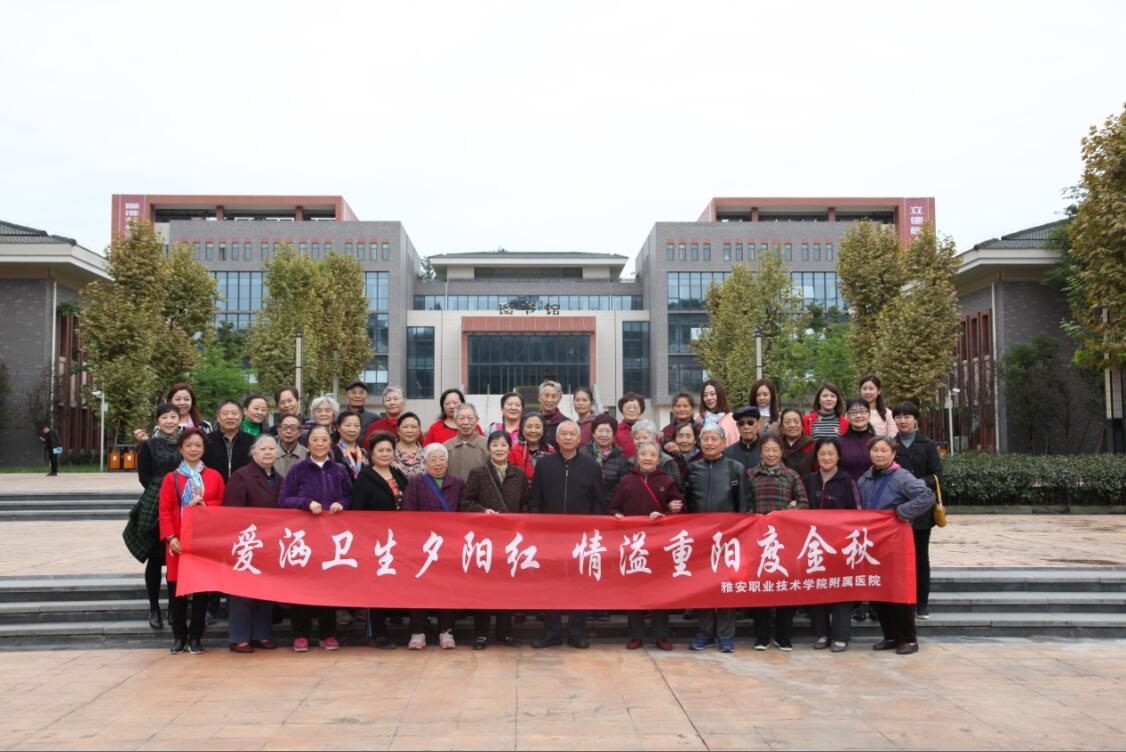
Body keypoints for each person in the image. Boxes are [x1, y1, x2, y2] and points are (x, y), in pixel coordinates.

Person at [857, 436, 935, 655]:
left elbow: (926, 496)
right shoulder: (865, 478)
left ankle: (908, 638)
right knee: (879, 589)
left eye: (884, 450)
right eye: (875, 450)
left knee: (898, 589)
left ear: (893, 454)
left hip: (895, 541)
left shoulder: (901, 476)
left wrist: (901, 512)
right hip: (873, 542)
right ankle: (890, 635)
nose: (879, 454)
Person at [528, 420, 603, 648]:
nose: (568, 438)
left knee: (578, 584)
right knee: (550, 584)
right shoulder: (544, 465)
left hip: (581, 539)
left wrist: (593, 531)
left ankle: (576, 632)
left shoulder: (591, 466)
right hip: (550, 537)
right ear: (557, 438)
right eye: (564, 434)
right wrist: (539, 528)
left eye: (572, 434)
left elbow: (598, 502)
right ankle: (551, 632)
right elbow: (535, 500)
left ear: (579, 439)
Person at [279, 425, 353, 652]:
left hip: (331, 538)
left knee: (328, 586)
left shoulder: (340, 470)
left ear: (330, 444)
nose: (320, 444)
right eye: (315, 440)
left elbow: (350, 496)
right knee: (300, 586)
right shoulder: (297, 470)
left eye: (324, 440)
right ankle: (300, 634)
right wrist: (306, 503)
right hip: (304, 538)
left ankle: (327, 634)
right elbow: (284, 499)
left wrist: (342, 503)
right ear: (308, 444)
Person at [611, 440, 684, 651]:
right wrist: (617, 515)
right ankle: (636, 635)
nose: (647, 458)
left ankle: (661, 635)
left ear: (659, 459)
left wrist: (669, 510)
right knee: (635, 590)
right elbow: (613, 507)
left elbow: (679, 508)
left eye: (652, 455)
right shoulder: (626, 481)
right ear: (636, 458)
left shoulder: (666, 481)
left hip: (660, 545)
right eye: (643, 454)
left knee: (661, 590)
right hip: (634, 546)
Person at [158, 428, 225, 654]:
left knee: (201, 592)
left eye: (198, 445)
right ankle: (179, 636)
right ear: (181, 449)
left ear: (204, 449)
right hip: (178, 541)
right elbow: (164, 510)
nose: (193, 449)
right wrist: (171, 537)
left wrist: (205, 506)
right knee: (177, 591)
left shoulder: (214, 476)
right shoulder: (171, 478)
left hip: (204, 542)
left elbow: (222, 504)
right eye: (189, 445)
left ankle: (196, 636)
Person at [460, 430, 529, 649]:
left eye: (503, 445)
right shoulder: (479, 473)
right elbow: (465, 502)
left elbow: (526, 505)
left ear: (510, 448)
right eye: (495, 445)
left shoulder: (519, 474)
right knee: (483, 587)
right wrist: (483, 511)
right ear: (488, 448)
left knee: (507, 587)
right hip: (486, 540)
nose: (499, 449)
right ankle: (481, 634)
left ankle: (505, 633)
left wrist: (520, 522)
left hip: (510, 540)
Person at [685, 424, 749, 653]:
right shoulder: (692, 469)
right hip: (700, 539)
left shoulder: (735, 468)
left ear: (723, 443)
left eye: (714, 439)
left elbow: (744, 505)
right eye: (706, 439)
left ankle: (725, 636)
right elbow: (686, 503)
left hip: (728, 539)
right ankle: (705, 633)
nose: (710, 443)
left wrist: (741, 534)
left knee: (725, 587)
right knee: (702, 587)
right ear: (700, 443)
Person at [746, 434, 809, 652]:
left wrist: (790, 511)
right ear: (760, 452)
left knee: (785, 587)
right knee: (759, 587)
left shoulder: (791, 475)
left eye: (775, 450)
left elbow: (804, 503)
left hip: (785, 540)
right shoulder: (751, 475)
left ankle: (784, 636)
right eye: (767, 450)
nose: (771, 454)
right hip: (758, 539)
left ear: (781, 452)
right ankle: (761, 636)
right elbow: (745, 504)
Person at [402, 444, 465, 649]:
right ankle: (418, 631)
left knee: (447, 588)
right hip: (422, 546)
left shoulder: (457, 483)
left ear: (447, 462)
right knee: (419, 588)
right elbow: (408, 512)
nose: (438, 463)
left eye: (441, 459)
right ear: (425, 462)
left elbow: (464, 512)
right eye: (433, 459)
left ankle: (446, 631)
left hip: (449, 545)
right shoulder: (416, 482)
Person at [223, 434, 281, 653]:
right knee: (242, 591)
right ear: (253, 453)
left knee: (266, 590)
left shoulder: (280, 478)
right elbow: (233, 512)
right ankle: (239, 637)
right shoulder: (241, 476)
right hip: (246, 542)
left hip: (270, 543)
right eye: (262, 449)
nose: (267, 453)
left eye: (271, 449)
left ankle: (261, 634)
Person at [802, 437, 861, 653]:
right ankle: (821, 633)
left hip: (840, 546)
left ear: (838, 457)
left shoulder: (847, 481)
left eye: (831, 454)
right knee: (817, 588)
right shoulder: (808, 480)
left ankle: (841, 635)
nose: (826, 458)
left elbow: (856, 513)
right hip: (814, 546)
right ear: (816, 457)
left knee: (840, 589)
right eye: (822, 454)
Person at [350, 431, 408, 649]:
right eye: (380, 450)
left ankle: (390, 629)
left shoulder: (398, 475)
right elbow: (357, 511)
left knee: (392, 586)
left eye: (388, 450)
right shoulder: (365, 478)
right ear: (372, 454)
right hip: (374, 543)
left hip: (398, 542)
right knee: (376, 588)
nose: (385, 454)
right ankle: (376, 633)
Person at [891, 400, 943, 619]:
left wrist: (914, 484)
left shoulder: (928, 445)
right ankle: (904, 601)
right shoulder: (890, 444)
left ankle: (922, 603)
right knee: (899, 559)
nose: (903, 421)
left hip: (921, 509)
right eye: (898, 417)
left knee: (921, 557)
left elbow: (937, 475)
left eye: (907, 417)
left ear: (916, 419)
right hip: (897, 509)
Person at [136, 403, 182, 629]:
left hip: (182, 505)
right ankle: (154, 608)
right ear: (157, 421)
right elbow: (144, 477)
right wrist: (162, 492)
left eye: (173, 417)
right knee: (155, 559)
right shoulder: (149, 445)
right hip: (155, 505)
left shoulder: (186, 443)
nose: (169, 421)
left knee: (176, 559)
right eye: (164, 417)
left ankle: (174, 607)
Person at [581, 413, 631, 516]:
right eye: (600, 431)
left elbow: (622, 487)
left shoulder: (621, 458)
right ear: (593, 433)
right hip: (585, 506)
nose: (604, 435)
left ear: (613, 435)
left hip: (610, 508)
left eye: (608, 431)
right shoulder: (582, 454)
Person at [133, 383, 211, 442]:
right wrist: (145, 441)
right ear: (170, 401)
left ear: (192, 402)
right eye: (177, 399)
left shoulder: (205, 426)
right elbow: (155, 451)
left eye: (186, 399)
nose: (182, 403)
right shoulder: (161, 426)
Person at [203, 400, 254, 481]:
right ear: (218, 418)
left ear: (241, 417)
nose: (230, 417)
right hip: (214, 487)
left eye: (234, 413)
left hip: (244, 487)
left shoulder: (253, 442)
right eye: (225, 413)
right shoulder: (206, 441)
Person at [628, 420, 682, 489]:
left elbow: (676, 488)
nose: (641, 441)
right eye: (637, 438)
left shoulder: (666, 461)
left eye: (645, 437)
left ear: (654, 439)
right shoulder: (630, 462)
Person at [444, 403, 489, 481]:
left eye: (470, 418)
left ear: (477, 420)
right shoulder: (446, 447)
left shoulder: (488, 445)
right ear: (455, 421)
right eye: (461, 418)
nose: (466, 422)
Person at [509, 412, 555, 482]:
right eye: (529, 426)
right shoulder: (513, 452)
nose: (533, 430)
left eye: (537, 427)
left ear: (543, 430)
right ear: (522, 429)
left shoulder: (551, 452)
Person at [838, 398, 875, 481]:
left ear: (869, 414)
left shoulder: (877, 441)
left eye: (862, 411)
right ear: (847, 416)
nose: (858, 416)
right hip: (847, 486)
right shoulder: (839, 442)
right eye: (853, 412)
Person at [697, 380, 738, 447]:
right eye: (705, 395)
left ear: (720, 395)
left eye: (712, 394)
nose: (709, 398)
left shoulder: (731, 418)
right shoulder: (699, 419)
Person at [779, 408, 817, 476]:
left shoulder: (812, 446)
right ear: (781, 426)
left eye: (796, 422)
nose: (792, 425)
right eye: (787, 422)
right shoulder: (776, 445)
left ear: (802, 425)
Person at [725, 406, 764, 471]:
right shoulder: (728, 453)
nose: (746, 427)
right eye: (741, 423)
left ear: (758, 424)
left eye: (750, 423)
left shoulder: (768, 450)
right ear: (737, 426)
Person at [332, 412, 369, 480]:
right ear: (338, 428)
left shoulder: (364, 453)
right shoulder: (332, 452)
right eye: (348, 425)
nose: (352, 430)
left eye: (356, 425)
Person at [392, 412, 426, 478]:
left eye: (414, 427)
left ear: (419, 431)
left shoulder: (426, 454)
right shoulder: (390, 452)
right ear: (398, 430)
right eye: (405, 427)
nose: (409, 430)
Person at [538, 380, 569, 448]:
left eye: (554, 396)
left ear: (559, 399)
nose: (550, 400)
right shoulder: (533, 421)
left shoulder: (566, 423)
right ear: (539, 397)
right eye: (546, 396)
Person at [615, 392, 645, 458]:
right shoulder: (615, 431)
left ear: (641, 410)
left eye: (635, 407)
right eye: (628, 407)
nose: (631, 410)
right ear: (621, 410)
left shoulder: (649, 429)